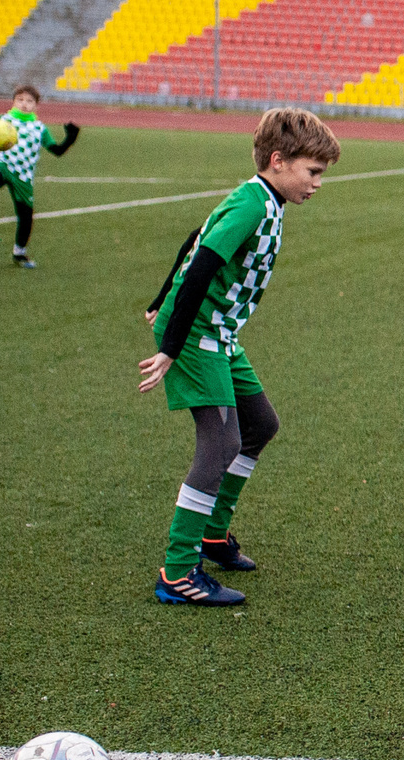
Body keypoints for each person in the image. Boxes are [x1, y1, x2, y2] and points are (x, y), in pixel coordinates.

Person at [136, 107, 342, 605]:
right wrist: (169, 344)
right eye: (312, 172)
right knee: (220, 443)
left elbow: (195, 238)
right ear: (278, 161)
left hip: (219, 333)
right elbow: (203, 262)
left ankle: (213, 534)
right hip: (198, 335)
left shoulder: (265, 201)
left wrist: (157, 299)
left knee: (260, 425)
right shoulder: (253, 205)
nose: (317, 183)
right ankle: (179, 571)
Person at [0, 85, 78, 268]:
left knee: (26, 216)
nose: (24, 104)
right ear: (14, 102)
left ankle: (20, 253)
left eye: (29, 101)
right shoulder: (2, 121)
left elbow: (56, 151)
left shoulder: (39, 128)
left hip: (24, 175)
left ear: (36, 105)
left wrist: (69, 139)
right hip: (3, 164)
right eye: (20, 100)